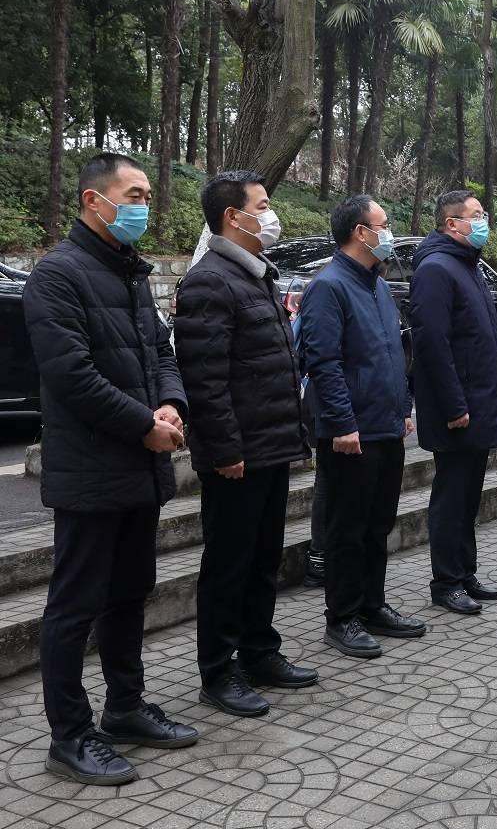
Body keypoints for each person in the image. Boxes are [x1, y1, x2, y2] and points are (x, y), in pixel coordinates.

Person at [23, 152, 199, 785]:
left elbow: (160, 351)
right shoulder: (58, 276)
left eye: (147, 194)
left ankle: (125, 706)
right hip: (94, 469)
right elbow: (71, 375)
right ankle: (69, 734)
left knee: (129, 594)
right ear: (92, 202)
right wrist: (143, 425)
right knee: (74, 606)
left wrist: (172, 404)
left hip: (139, 469)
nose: (143, 206)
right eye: (133, 194)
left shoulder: (129, 274)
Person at [175, 171, 315, 719]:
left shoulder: (255, 276)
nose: (271, 213)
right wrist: (227, 450)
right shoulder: (210, 281)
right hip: (238, 456)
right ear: (234, 216)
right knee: (229, 563)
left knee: (262, 559)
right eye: (263, 205)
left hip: (270, 445)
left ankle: (260, 650)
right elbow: (205, 380)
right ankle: (219, 669)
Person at [299, 195, 424, 657]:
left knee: (378, 524)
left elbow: (395, 355)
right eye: (384, 225)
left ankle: (372, 604)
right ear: (360, 232)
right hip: (351, 432)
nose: (388, 233)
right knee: (347, 528)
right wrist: (341, 422)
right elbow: (324, 362)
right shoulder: (328, 287)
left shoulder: (376, 285)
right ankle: (343, 616)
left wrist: (404, 406)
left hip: (386, 424)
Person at [409, 191, 497, 615]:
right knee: (452, 497)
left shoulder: (465, 265)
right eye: (476, 215)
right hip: (458, 406)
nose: (484, 220)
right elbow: (432, 344)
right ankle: (446, 581)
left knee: (469, 494)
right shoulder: (437, 269)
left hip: (480, 399)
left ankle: (464, 572)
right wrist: (454, 405)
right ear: (452, 224)